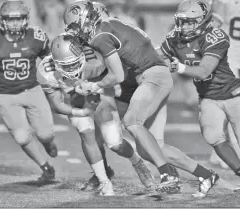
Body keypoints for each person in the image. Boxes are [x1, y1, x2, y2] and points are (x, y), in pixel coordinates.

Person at [63, 0, 181, 194]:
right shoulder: (104, 30)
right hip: (125, 82)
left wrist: (93, 85)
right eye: (73, 27)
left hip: (126, 84)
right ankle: (102, 174)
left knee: (118, 138)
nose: (76, 31)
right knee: (88, 131)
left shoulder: (101, 35)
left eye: (77, 25)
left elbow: (117, 75)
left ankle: (150, 166)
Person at [37, 33, 155, 195]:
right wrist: (80, 111)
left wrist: (93, 87)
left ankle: (137, 162)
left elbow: (117, 88)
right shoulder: (46, 71)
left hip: (101, 96)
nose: (71, 69)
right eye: (65, 66)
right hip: (75, 102)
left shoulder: (95, 59)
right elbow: (56, 104)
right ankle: (104, 181)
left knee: (114, 143)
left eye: (73, 64)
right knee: (87, 134)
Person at [160, 0, 240, 192]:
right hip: (208, 96)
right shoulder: (175, 37)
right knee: (213, 136)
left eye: (190, 21)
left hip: (233, 94)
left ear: (203, 20)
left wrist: (176, 66)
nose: (184, 26)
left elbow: (204, 71)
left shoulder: (215, 36)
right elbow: (159, 55)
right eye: (182, 21)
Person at [0, 0, 58, 182]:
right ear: (2, 20)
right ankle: (45, 167)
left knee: (45, 134)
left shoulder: (37, 37)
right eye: (10, 19)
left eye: (18, 18)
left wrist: (54, 82)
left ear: (26, 19)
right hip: (5, 94)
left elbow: (51, 62)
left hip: (32, 90)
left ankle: (48, 142)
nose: (14, 23)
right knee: (22, 137)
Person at [208, 0, 240, 169]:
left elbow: (212, 26)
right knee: (235, 108)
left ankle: (219, 153)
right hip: (234, 60)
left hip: (234, 59)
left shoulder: (221, 0)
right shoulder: (223, 0)